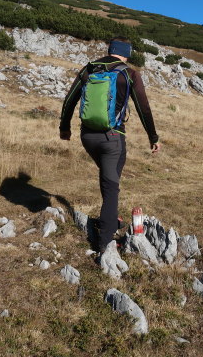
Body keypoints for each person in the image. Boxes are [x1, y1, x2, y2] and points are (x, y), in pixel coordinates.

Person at [59, 36, 160, 253]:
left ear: (110, 50)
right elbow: (144, 108)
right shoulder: (129, 73)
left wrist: (64, 128)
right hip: (112, 137)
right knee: (111, 184)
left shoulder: (89, 69)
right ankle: (104, 242)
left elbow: (69, 100)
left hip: (87, 137)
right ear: (127, 52)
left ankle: (111, 218)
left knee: (108, 177)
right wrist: (153, 137)